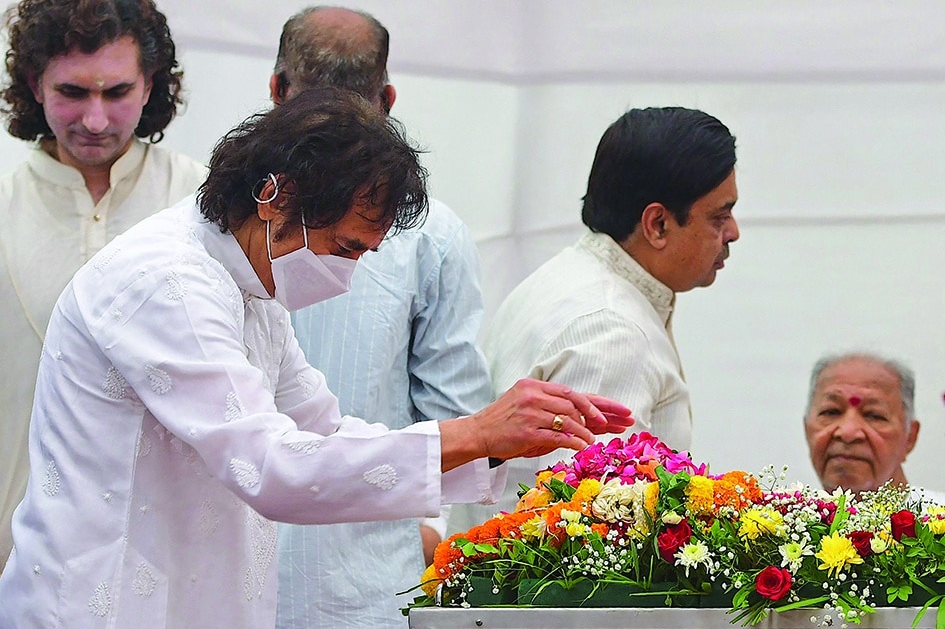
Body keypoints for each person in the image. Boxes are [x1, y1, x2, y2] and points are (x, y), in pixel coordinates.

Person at [0, 87, 633, 628]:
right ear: (275, 197)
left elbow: (324, 433)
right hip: (98, 604)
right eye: (346, 248)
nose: (345, 274)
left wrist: (490, 443)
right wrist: (469, 431)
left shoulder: (253, 284)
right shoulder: (167, 281)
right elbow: (273, 466)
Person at [268, 7, 493, 627]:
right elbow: (461, 419)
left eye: (357, 250)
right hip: (352, 588)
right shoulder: (434, 233)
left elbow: (457, 416)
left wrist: (430, 532)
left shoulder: (429, 234)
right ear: (387, 100)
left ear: (277, 91)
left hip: (352, 584)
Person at [453, 107, 739, 531]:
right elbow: (596, 536)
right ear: (657, 224)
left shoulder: (574, 280)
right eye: (719, 215)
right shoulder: (609, 330)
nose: (733, 231)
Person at [0, 0, 205, 571]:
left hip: (167, 555)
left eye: (116, 93)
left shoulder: (203, 205)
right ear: (36, 86)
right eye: (72, 92)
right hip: (18, 557)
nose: (94, 120)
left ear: (150, 87)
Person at [804, 352, 923, 496]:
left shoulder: (936, 517)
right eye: (831, 412)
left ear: (910, 437)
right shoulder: (776, 516)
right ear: (806, 428)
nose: (848, 433)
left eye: (874, 415)